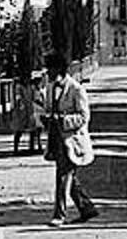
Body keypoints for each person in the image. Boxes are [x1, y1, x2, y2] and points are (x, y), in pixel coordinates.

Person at [42, 50, 98, 227]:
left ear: (59, 69)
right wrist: (46, 118)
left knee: (62, 177)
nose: (48, 73)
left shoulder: (76, 89)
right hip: (56, 139)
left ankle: (59, 215)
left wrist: (63, 120)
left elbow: (84, 117)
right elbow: (49, 109)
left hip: (72, 140)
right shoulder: (50, 88)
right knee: (69, 178)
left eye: (50, 69)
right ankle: (86, 208)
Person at [12, 74, 44, 155]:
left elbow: (36, 98)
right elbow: (17, 97)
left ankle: (32, 147)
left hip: (31, 110)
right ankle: (15, 148)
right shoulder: (19, 87)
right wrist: (20, 104)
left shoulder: (32, 87)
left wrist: (41, 104)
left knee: (33, 129)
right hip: (21, 110)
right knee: (19, 130)